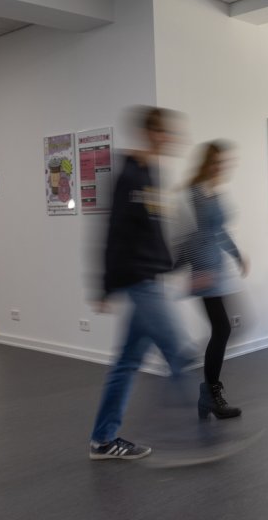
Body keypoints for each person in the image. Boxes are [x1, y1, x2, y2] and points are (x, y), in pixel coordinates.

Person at [89, 106, 192, 461]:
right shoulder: (129, 176)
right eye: (165, 132)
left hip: (152, 278)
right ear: (151, 134)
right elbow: (113, 233)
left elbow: (153, 230)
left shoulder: (152, 174)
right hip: (138, 280)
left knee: (127, 362)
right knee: (177, 353)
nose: (171, 138)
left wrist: (172, 264)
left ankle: (103, 440)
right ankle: (193, 440)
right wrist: (104, 287)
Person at [179, 140, 247, 420]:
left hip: (217, 270)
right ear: (207, 163)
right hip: (205, 271)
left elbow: (219, 231)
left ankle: (208, 391)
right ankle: (209, 393)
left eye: (224, 162)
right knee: (223, 329)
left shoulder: (213, 193)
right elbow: (190, 235)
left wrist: (237, 255)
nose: (222, 167)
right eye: (218, 162)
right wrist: (199, 268)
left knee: (227, 328)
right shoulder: (194, 193)